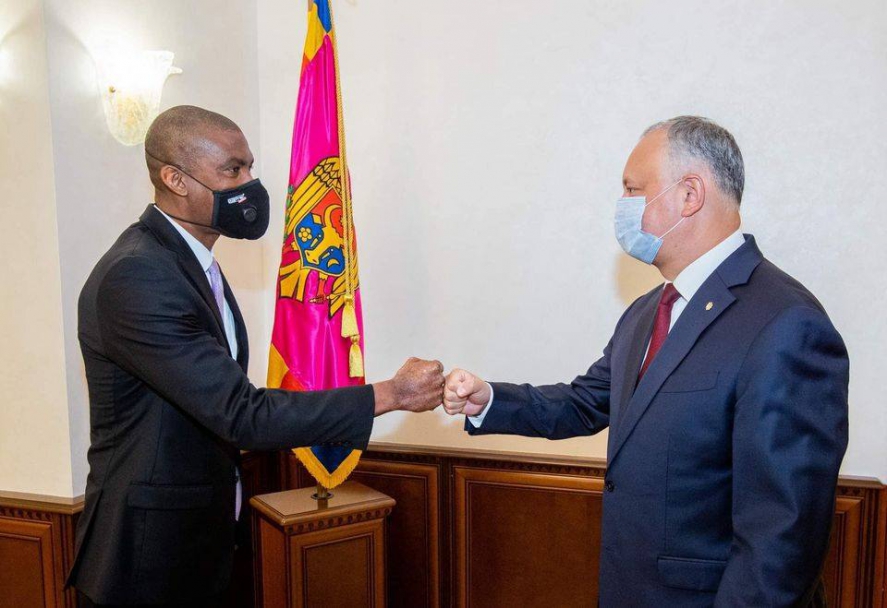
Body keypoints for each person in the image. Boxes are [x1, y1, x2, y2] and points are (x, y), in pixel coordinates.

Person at [443, 116, 848, 607]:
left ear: (689, 195)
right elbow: (585, 402)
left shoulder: (785, 323)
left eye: (633, 190)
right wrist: (488, 400)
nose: (623, 205)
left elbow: (783, 536)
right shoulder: (647, 311)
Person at [67, 105, 444, 607]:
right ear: (175, 179)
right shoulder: (138, 275)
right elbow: (241, 414)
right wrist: (391, 394)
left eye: (249, 167)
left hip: (199, 548)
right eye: (232, 170)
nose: (249, 184)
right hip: (145, 563)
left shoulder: (189, 264)